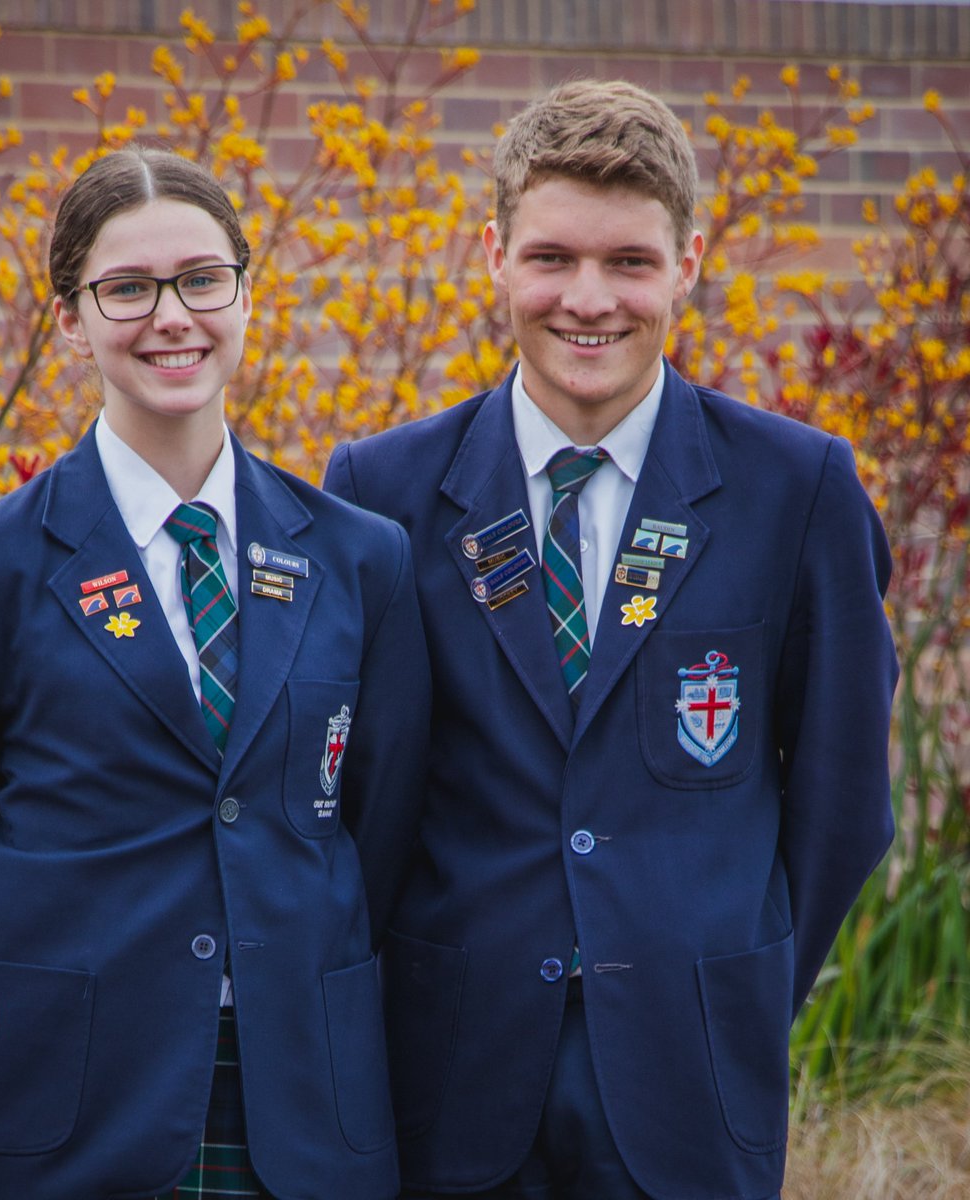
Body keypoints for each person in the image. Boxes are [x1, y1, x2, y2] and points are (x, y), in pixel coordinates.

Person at [323, 78, 897, 1200]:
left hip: (691, 1074)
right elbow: (364, 804)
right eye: (552, 258)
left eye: (630, 261)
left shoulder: (799, 490)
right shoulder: (381, 490)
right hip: (452, 1069)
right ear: (493, 256)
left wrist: (729, 978)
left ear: (686, 265)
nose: (589, 300)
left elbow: (842, 802)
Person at [0, 145, 430, 1200]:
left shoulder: (362, 558)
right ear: (70, 318)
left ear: (246, 291)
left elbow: (375, 838)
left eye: (202, 279)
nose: (173, 316)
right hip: (51, 1114)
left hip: (297, 1107)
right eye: (127, 289)